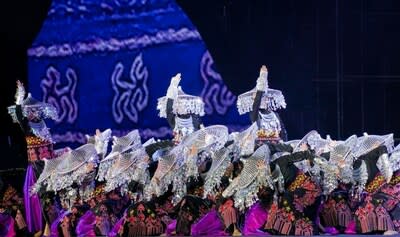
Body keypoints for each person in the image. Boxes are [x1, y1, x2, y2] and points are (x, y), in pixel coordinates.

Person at [8, 80, 58, 236]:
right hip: (37, 167)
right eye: (29, 111)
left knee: (53, 198)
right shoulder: (28, 126)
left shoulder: (43, 126)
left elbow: (50, 149)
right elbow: (18, 113)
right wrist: (20, 96)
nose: (33, 113)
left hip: (50, 165)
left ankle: (50, 227)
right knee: (44, 198)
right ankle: (46, 228)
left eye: (35, 111)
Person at [237, 66, 287, 145]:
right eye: (261, 98)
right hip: (262, 148)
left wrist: (285, 147)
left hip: (278, 148)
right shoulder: (255, 114)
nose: (263, 99)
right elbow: (257, 102)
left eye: (265, 97)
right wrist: (263, 77)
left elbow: (283, 134)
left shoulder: (275, 115)